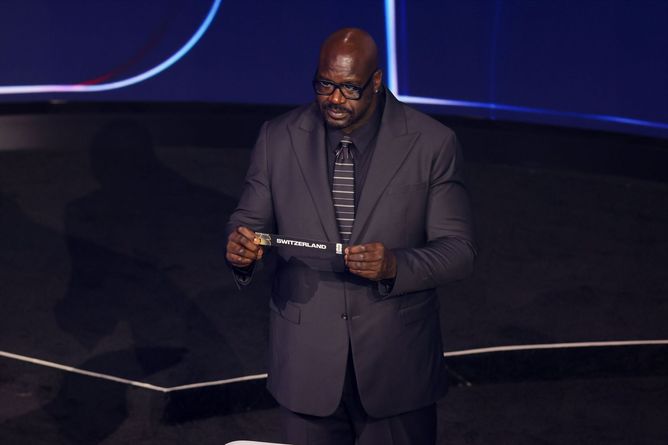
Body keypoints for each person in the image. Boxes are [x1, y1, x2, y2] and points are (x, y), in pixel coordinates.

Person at [226, 27, 476, 445]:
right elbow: (247, 220)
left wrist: (395, 265)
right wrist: (239, 249)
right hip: (306, 367)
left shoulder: (433, 143)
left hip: (396, 368)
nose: (335, 98)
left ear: (376, 82)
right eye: (324, 85)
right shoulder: (277, 138)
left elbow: (460, 250)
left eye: (349, 88)